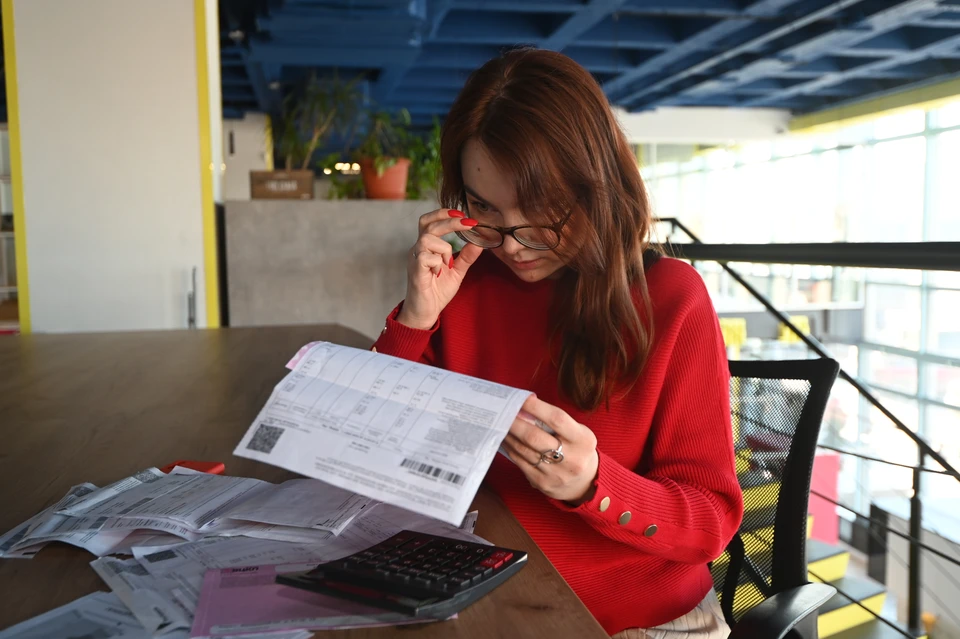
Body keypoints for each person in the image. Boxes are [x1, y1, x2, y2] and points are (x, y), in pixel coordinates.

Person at [371, 48, 743, 639]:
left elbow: (710, 524)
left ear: (596, 185)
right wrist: (416, 318)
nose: (513, 244)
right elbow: (373, 449)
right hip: (487, 603)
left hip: (643, 620)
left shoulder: (671, 298)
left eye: (542, 211)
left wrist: (594, 485)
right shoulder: (464, 283)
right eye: (485, 208)